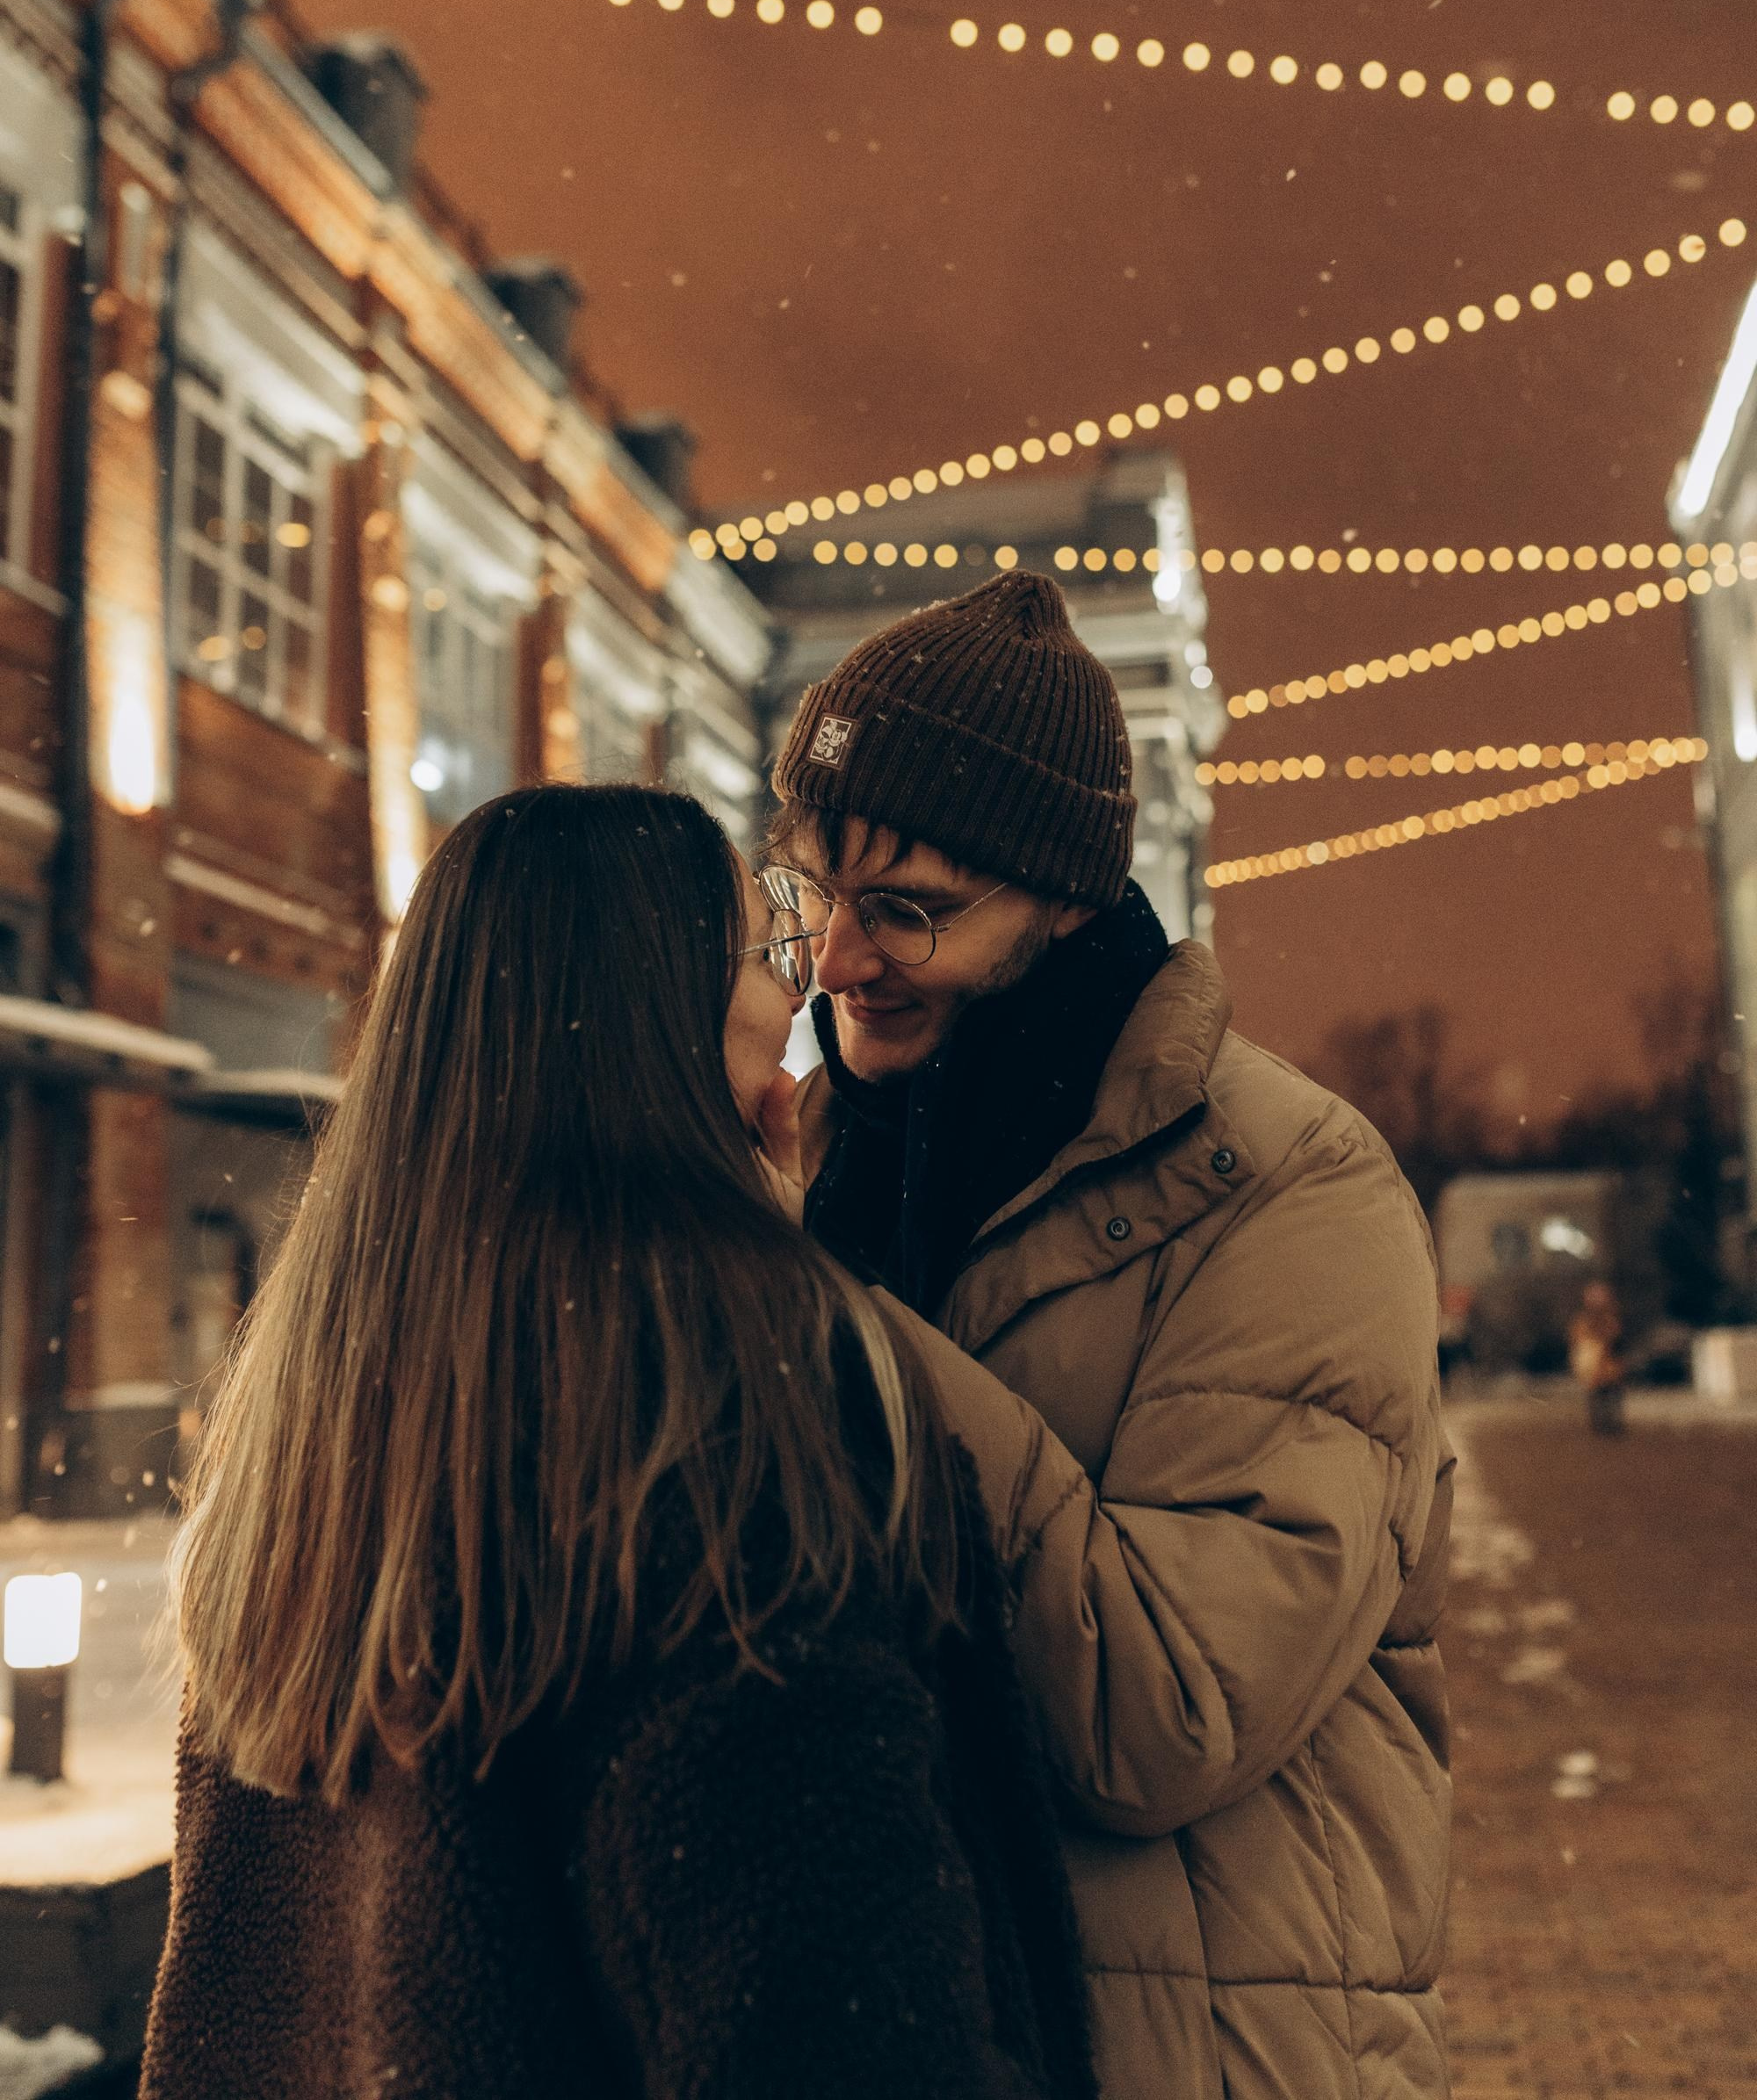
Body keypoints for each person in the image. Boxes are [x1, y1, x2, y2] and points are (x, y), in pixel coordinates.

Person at [141, 783, 1096, 2100]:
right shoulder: (724, 1411)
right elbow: (833, 2021)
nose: (811, 979)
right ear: (658, 1024)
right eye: (769, 942)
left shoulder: (321, 1404)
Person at [764, 572, 1454, 2100]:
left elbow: (1163, 1710)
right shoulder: (830, 1153)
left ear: (1068, 900)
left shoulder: (1289, 1191)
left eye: (907, 910)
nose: (835, 960)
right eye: (806, 891)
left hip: (1202, 2056)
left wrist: (824, 1332)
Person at [1568, 1278, 1628, 1434]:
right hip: (1596, 1368)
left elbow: (1616, 1339)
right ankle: (1601, 1424)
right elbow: (1578, 1342)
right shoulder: (1583, 1321)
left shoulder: (1610, 1319)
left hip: (1608, 1366)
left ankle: (1610, 1423)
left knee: (1611, 1396)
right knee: (1598, 1397)